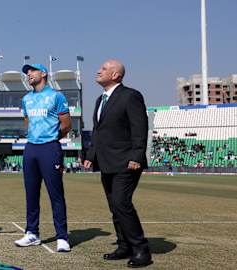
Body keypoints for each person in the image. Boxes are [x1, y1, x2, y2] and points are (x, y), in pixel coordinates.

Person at [83, 60, 152, 268]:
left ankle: (141, 250)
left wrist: (136, 156)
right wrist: (90, 155)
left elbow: (140, 128)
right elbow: (98, 131)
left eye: (103, 69)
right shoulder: (99, 100)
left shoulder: (131, 96)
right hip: (106, 162)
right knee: (115, 207)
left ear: (115, 75)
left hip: (126, 161)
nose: (98, 71)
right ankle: (124, 246)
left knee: (122, 203)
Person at [15, 63, 72, 252]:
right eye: (26, 72)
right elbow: (27, 122)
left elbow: (66, 125)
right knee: (31, 194)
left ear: (43, 73)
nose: (28, 74)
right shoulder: (26, 99)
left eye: (32, 71)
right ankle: (32, 233)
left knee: (56, 194)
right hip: (31, 148)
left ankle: (62, 237)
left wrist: (51, 139)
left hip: (50, 148)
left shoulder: (56, 96)